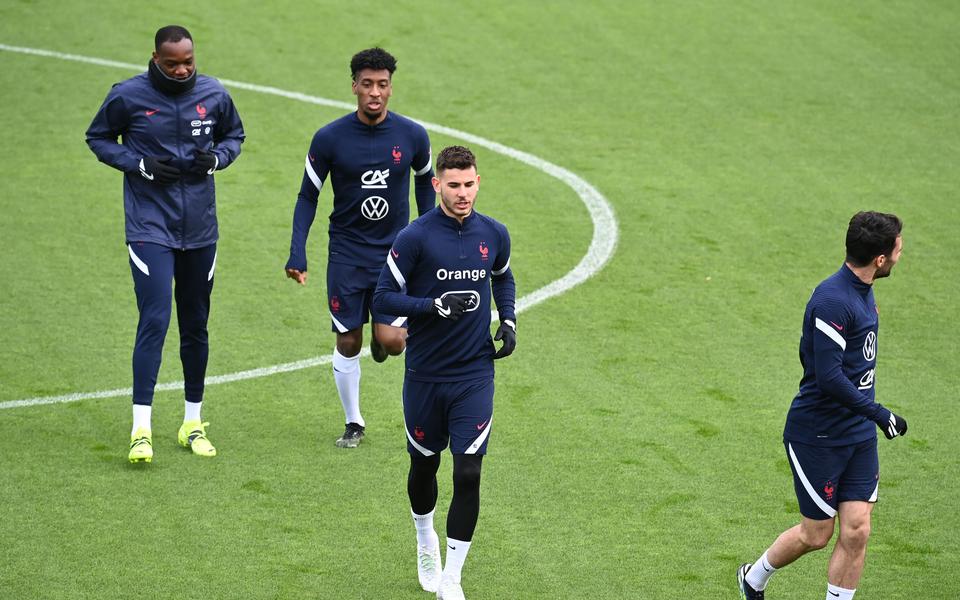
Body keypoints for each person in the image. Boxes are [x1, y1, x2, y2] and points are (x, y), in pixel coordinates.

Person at [86, 25, 245, 463]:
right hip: (149, 226)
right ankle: (141, 430)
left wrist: (217, 159)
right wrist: (139, 164)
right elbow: (98, 138)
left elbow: (234, 136)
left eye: (187, 62)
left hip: (201, 230)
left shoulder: (214, 94)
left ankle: (193, 423)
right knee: (154, 319)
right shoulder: (128, 95)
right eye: (172, 63)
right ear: (155, 58)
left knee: (195, 324)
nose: (181, 70)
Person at [737, 211, 908, 600]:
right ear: (880, 259)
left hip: (857, 432)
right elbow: (829, 378)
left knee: (857, 529)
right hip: (818, 434)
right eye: (897, 250)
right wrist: (880, 414)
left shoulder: (862, 289)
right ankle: (753, 577)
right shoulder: (833, 301)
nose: (900, 256)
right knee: (816, 534)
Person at [373, 145, 517, 600]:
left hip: (474, 373)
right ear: (437, 185)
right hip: (425, 374)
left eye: (469, 184)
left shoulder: (494, 233)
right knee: (424, 465)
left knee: (469, 472)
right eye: (453, 185)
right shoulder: (414, 237)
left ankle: (452, 578)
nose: (462, 193)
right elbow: (382, 298)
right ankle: (424, 537)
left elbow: (503, 276)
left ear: (478, 182)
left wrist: (508, 319)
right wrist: (432, 305)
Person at [284, 47, 434, 448]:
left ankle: (381, 341)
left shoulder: (412, 135)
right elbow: (307, 196)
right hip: (347, 254)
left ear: (391, 88)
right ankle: (354, 422)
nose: (375, 92)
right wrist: (298, 252)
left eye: (382, 84)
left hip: (394, 256)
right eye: (367, 84)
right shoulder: (329, 138)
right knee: (348, 340)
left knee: (394, 342)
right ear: (354, 86)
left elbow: (425, 181)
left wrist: (428, 235)